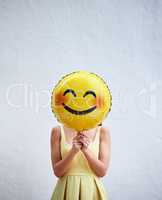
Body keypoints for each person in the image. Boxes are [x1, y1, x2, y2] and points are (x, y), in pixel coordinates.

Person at [50, 122, 111, 200]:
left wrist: (85, 150)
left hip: (92, 190)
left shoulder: (102, 131)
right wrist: (73, 151)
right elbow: (57, 172)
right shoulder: (57, 131)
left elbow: (102, 172)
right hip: (66, 189)